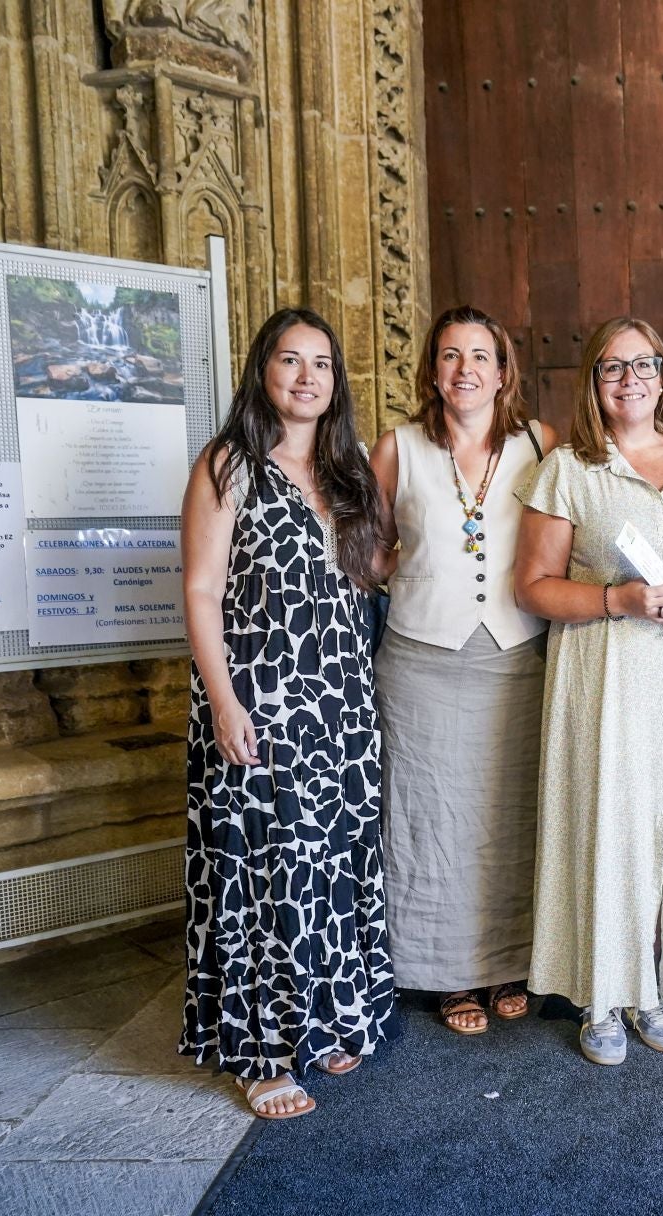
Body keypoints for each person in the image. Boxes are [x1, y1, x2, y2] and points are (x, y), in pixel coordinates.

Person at [180, 307, 399, 1119]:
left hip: (339, 701)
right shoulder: (227, 465)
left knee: (333, 862)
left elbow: (372, 580)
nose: (308, 377)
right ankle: (263, 1052)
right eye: (290, 361)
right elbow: (201, 591)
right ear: (262, 372)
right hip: (259, 701)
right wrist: (223, 700)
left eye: (322, 364)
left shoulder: (348, 475)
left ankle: (331, 1016)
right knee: (261, 871)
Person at [513, 317, 663, 1067]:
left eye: (644, 365)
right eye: (613, 368)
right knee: (612, 820)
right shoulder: (570, 467)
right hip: (606, 666)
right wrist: (621, 600)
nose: (630, 379)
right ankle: (602, 994)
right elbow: (535, 585)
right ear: (594, 381)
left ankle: (655, 986)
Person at [369, 305, 556, 1037]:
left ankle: (510, 961)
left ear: (503, 371)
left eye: (481, 355)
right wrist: (408, 577)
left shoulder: (540, 443)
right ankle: (447, 974)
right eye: (451, 356)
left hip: (515, 655)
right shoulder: (399, 447)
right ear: (432, 372)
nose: (466, 370)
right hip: (421, 664)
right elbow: (370, 544)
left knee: (511, 814)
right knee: (430, 823)